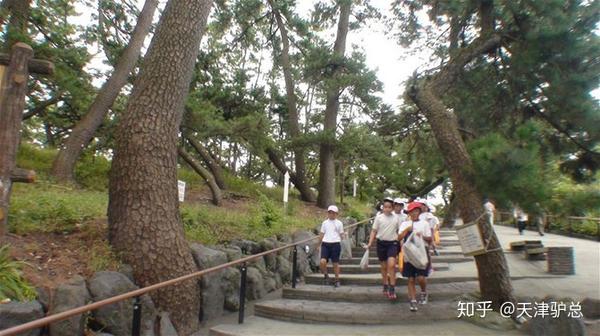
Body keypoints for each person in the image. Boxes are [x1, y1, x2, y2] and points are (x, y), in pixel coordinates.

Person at [398, 201, 432, 312]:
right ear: (409, 213)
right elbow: (398, 238)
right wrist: (407, 230)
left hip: (422, 252)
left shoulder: (425, 224)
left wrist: (421, 235)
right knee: (411, 278)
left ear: (419, 212)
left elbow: (430, 239)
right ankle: (412, 300)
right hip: (409, 254)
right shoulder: (404, 224)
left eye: (416, 211)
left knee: (421, 277)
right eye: (411, 211)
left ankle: (423, 291)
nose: (414, 213)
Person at [366, 198, 401, 300]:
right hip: (381, 243)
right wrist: (370, 243)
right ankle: (385, 283)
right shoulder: (379, 218)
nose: (387, 209)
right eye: (385, 207)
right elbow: (374, 231)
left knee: (391, 264)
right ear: (383, 208)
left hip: (393, 243)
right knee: (384, 267)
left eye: (389, 207)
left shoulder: (396, 218)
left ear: (392, 208)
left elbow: (400, 232)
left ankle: (392, 287)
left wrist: (402, 244)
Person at [318, 205, 345, 287]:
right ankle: (326, 275)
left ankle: (337, 279)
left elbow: (341, 235)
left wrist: (344, 236)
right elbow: (321, 234)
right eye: (329, 212)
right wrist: (319, 244)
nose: (331, 214)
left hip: (335, 244)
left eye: (333, 213)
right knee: (322, 261)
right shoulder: (324, 223)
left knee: (335, 263)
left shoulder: (339, 223)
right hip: (325, 243)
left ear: (336, 214)